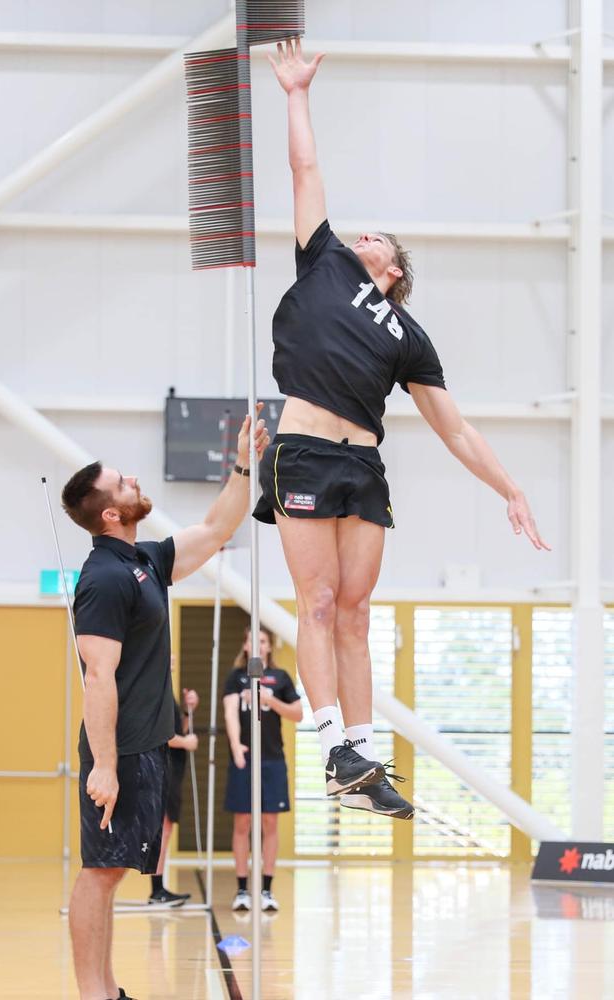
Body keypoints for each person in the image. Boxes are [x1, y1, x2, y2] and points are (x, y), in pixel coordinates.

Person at [254, 40, 550, 821]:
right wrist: (295, 95)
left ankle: (362, 757)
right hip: (306, 452)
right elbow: (305, 174)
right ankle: (332, 749)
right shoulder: (323, 263)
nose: (360, 238)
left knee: (355, 613)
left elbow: (455, 430)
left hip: (365, 467)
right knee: (315, 603)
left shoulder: (408, 335)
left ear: (393, 266)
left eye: (372, 240)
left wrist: (510, 487)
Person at [61, 408, 268, 1000]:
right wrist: (104, 763)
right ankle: (93, 993)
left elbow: (215, 530)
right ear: (109, 513)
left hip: (146, 746)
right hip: (119, 750)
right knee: (100, 874)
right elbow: (97, 676)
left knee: (113, 872)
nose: (135, 483)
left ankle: (110, 989)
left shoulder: (144, 561)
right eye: (125, 483)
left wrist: (241, 467)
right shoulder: (102, 578)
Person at [223, 625, 302, 913]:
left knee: (270, 823)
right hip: (245, 759)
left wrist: (269, 700)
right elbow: (230, 713)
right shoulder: (236, 678)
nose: (258, 645)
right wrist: (235, 747)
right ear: (245, 647)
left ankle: (267, 891)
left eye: (264, 641)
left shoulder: (280, 678)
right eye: (252, 641)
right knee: (242, 823)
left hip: (272, 760)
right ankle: (242, 889)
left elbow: (298, 712)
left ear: (269, 647)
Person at [148, 664, 199, 907]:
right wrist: (186, 742)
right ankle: (156, 890)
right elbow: (163, 735)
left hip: (174, 769)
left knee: (165, 829)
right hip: (163, 768)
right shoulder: (154, 689)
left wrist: (188, 714)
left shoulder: (167, 690)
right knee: (162, 829)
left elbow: (176, 729)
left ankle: (159, 889)